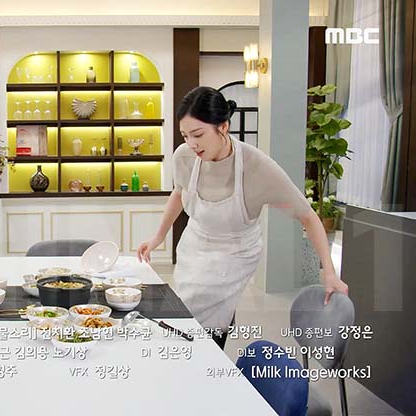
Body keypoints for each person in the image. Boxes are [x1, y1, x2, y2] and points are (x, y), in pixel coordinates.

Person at [138, 86, 348, 349]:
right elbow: (180, 192)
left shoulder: (257, 167)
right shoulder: (184, 156)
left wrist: (329, 272)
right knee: (184, 310)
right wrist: (158, 237)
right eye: (185, 135)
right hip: (195, 243)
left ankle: (211, 349)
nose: (191, 144)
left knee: (207, 321)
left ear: (223, 126)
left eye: (198, 134)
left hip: (235, 252)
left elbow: (308, 216)